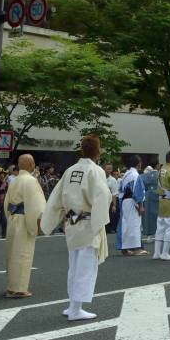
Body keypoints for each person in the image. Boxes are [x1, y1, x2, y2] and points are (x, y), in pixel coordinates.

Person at [40, 135, 111, 321]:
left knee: (74, 267)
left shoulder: (70, 170)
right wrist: (100, 223)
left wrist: (49, 220)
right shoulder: (96, 171)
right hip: (88, 224)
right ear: (98, 151)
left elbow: (56, 197)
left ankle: (72, 305)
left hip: (71, 223)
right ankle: (75, 309)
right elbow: (103, 197)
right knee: (85, 268)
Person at [4, 154, 45, 298]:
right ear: (31, 164)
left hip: (13, 218)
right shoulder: (31, 181)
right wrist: (38, 225)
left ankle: (11, 286)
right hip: (25, 219)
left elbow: (6, 203)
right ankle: (19, 288)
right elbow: (36, 205)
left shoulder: (14, 180)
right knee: (23, 254)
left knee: (12, 254)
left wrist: (10, 217)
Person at [117, 155, 146, 256]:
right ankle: (137, 248)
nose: (141, 164)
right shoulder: (135, 175)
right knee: (134, 224)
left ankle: (124, 249)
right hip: (132, 201)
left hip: (125, 201)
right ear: (138, 163)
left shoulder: (126, 174)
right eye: (140, 162)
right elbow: (138, 191)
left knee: (125, 225)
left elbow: (120, 189)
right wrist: (141, 205)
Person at [141, 162, 160, 240]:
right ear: (157, 165)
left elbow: (141, 184)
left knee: (148, 216)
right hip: (157, 195)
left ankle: (148, 235)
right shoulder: (159, 175)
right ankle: (158, 234)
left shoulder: (145, 175)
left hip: (148, 195)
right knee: (158, 215)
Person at [103, 164, 118, 234]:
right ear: (104, 169)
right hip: (101, 201)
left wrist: (114, 205)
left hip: (109, 201)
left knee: (110, 216)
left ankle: (110, 229)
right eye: (107, 168)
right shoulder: (100, 178)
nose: (109, 170)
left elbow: (114, 193)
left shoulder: (113, 180)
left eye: (110, 169)